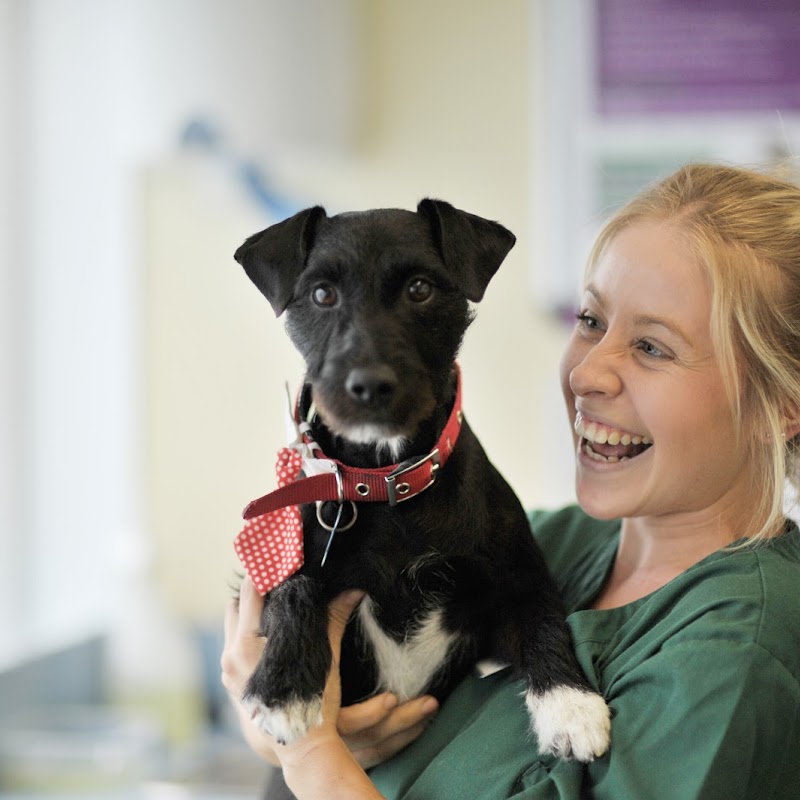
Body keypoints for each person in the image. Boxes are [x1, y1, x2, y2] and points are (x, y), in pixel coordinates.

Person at [221, 162, 800, 799]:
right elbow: (266, 686)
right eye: (590, 321)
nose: (589, 374)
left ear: (779, 404)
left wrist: (309, 752)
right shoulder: (563, 542)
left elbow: (302, 743)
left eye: (653, 347)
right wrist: (276, 720)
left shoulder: (734, 656)